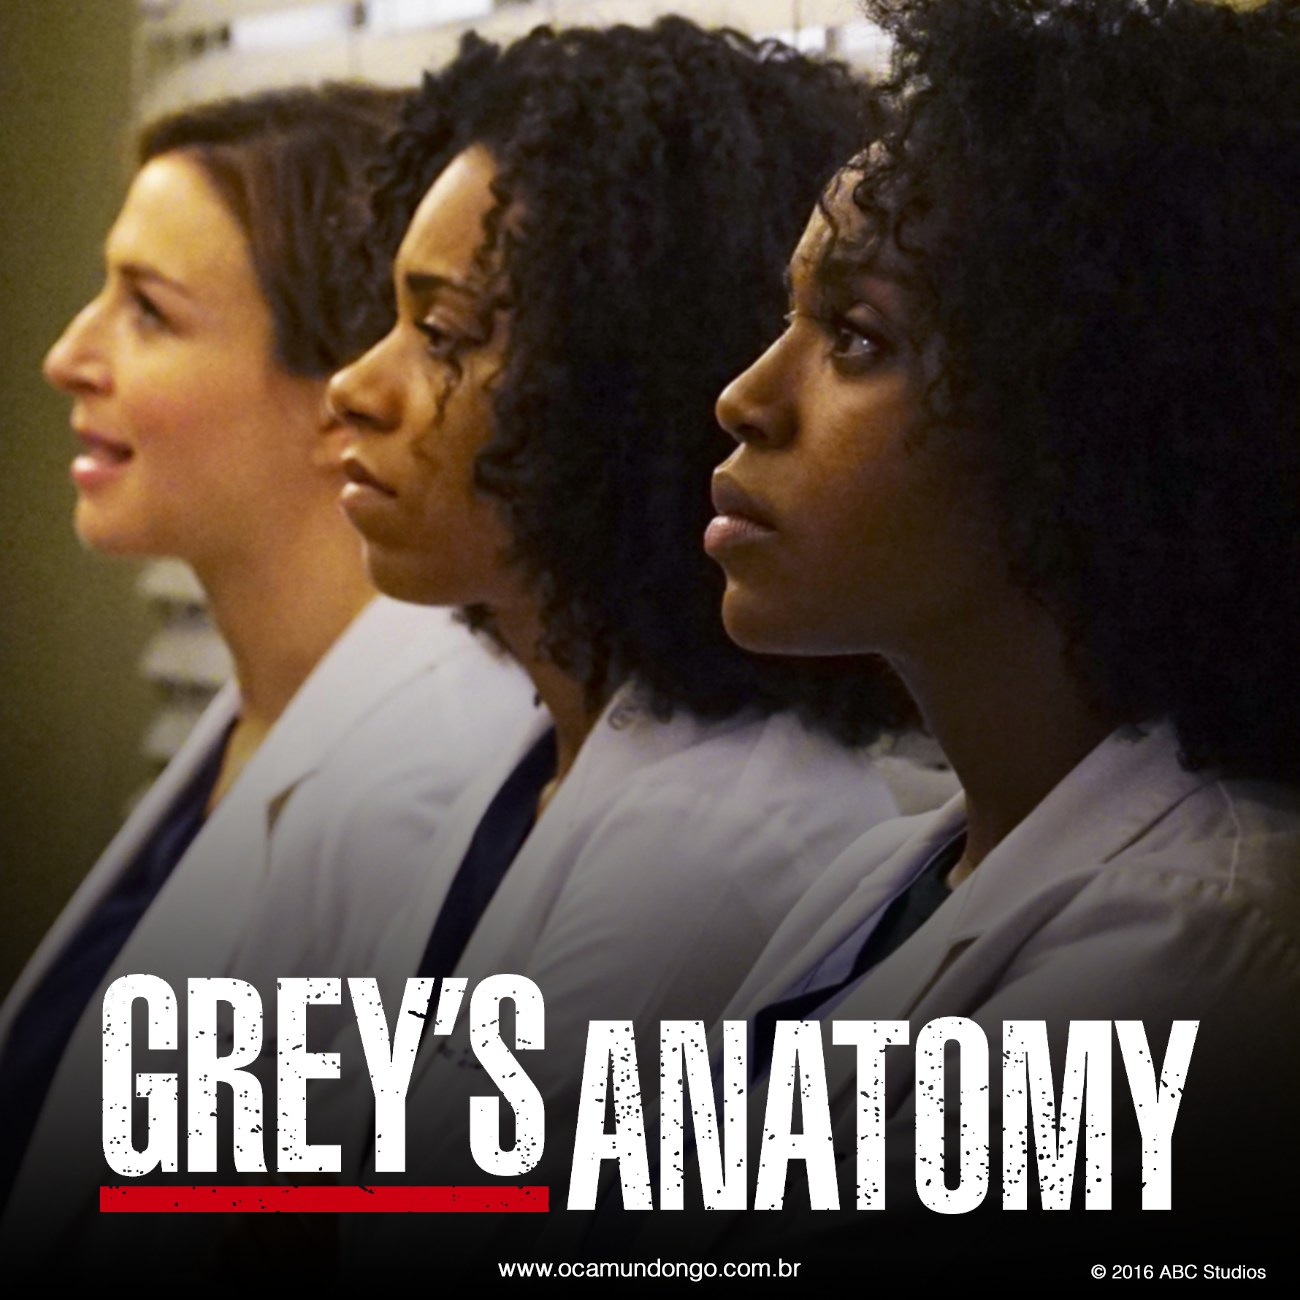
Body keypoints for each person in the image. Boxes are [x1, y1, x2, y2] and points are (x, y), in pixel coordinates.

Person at [620, 0, 1300, 1280]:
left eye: (855, 338)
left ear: (1088, 412)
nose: (745, 397)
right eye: (787, 320)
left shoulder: (1190, 961)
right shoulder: (893, 876)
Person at [321, 18, 947, 1268]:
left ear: (619, 380)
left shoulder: (719, 846)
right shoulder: (535, 748)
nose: (355, 386)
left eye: (443, 334)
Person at [0, 84, 534, 1266]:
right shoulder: (262, 716)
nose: (66, 357)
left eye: (148, 311)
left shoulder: (425, 791)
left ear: (342, 396)